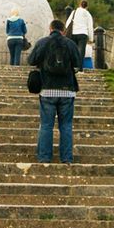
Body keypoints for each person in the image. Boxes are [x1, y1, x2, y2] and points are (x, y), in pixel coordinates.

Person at [27, 18, 82, 163]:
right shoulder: (70, 44)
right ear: (63, 31)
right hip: (67, 90)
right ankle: (66, 159)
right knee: (66, 126)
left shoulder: (43, 42)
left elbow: (31, 60)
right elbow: (78, 63)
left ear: (50, 29)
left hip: (47, 89)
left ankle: (44, 158)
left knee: (46, 125)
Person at [66, 0, 96, 69]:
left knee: (73, 50)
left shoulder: (74, 12)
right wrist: (91, 38)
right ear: (87, 6)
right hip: (83, 34)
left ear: (79, 5)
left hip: (73, 33)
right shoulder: (88, 14)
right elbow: (90, 26)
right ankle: (79, 68)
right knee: (81, 51)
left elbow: (67, 23)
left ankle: (72, 66)